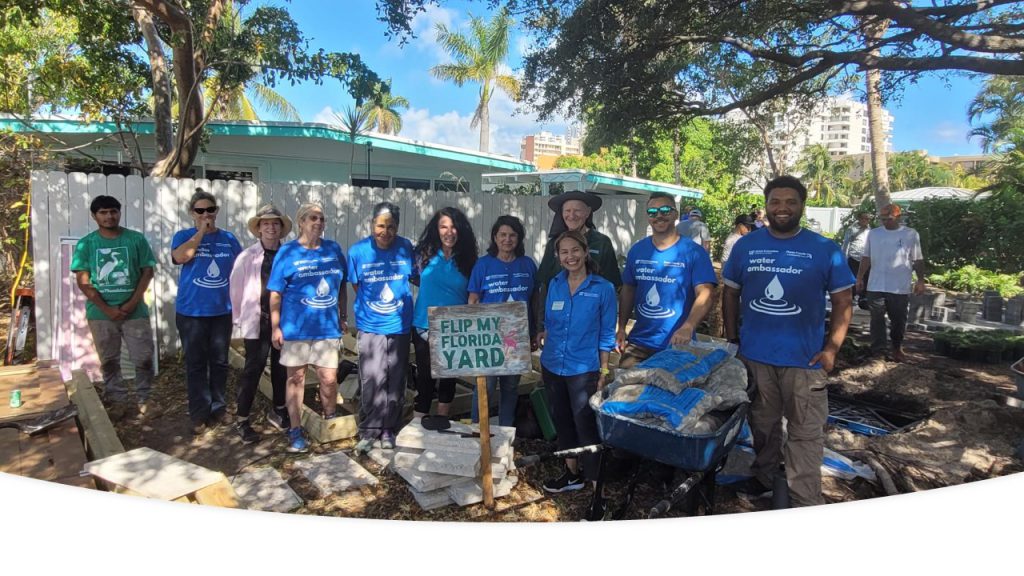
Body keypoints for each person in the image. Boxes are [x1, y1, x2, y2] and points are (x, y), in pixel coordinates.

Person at [722, 175, 854, 508]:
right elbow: (730, 293)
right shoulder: (746, 246)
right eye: (775, 202)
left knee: (806, 434)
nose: (782, 208)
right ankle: (764, 476)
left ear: (801, 206)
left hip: (805, 362)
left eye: (790, 202)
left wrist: (831, 350)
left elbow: (843, 302)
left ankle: (803, 499)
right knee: (762, 426)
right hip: (755, 357)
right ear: (765, 206)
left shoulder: (824, 249)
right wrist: (733, 339)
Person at [535, 230, 616, 518]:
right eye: (563, 252)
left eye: (574, 250)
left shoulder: (603, 288)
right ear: (558, 257)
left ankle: (598, 493)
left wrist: (604, 370)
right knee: (562, 420)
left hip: (584, 370)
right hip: (553, 364)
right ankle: (571, 475)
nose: (570, 257)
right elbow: (549, 322)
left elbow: (607, 335)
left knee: (587, 428)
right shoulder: (554, 284)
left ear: (585, 252)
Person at [267, 203, 348, 453]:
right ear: (301, 222)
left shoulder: (333, 249)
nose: (318, 222)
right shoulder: (288, 252)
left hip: (327, 327)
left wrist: (342, 314)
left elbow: (342, 284)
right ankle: (294, 429)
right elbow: (275, 293)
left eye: (322, 218)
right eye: (313, 218)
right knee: (296, 378)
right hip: (296, 328)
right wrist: (275, 327)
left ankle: (330, 420)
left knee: (328, 377)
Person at [71, 195, 157, 421]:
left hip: (135, 312)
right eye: (103, 212)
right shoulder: (86, 244)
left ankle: (144, 400)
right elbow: (83, 280)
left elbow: (147, 272)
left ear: (119, 212)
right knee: (109, 361)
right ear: (94, 216)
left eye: (113, 211)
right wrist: (107, 309)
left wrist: (131, 303)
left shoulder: (135, 240)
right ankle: (117, 401)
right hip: (100, 315)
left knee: (144, 358)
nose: (109, 216)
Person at [616, 193, 717, 369]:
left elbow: (706, 293)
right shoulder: (637, 250)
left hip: (677, 344)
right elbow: (628, 289)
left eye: (665, 210)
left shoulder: (693, 252)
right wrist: (622, 327)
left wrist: (688, 326)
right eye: (652, 212)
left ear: (675, 214)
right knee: (623, 391)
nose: (659, 216)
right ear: (648, 217)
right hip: (639, 343)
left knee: (669, 395)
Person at [171, 188, 242, 436]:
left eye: (210, 210)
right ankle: (199, 412)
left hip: (222, 311)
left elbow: (241, 272)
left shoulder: (229, 239)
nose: (206, 214)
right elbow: (181, 257)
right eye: (200, 211)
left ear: (217, 211)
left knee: (220, 362)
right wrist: (202, 231)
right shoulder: (183, 235)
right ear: (192, 213)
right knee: (196, 363)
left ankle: (218, 407)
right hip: (191, 312)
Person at [347, 202, 416, 454]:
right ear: (371, 225)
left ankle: (389, 428)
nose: (385, 231)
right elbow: (357, 286)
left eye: (390, 227)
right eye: (380, 226)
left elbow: (414, 276)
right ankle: (369, 430)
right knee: (372, 378)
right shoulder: (358, 252)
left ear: (397, 228)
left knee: (396, 380)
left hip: (399, 324)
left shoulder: (406, 248)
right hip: (370, 324)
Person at [229, 204, 293, 445]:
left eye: (275, 223)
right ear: (258, 229)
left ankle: (278, 410)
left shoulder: (288, 254)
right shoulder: (247, 257)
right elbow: (235, 289)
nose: (271, 227)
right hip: (257, 319)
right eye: (265, 223)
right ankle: (242, 419)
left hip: (283, 320)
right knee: (253, 368)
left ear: (281, 228)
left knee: (280, 368)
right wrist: (239, 318)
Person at [467, 215, 539, 426]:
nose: (507, 240)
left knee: (510, 388)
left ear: (519, 238)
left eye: (512, 235)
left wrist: (534, 332)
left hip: (518, 338)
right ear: (495, 237)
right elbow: (473, 299)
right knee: (485, 387)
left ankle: (506, 433)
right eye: (503, 235)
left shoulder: (527, 265)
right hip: (488, 339)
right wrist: (474, 334)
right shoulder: (483, 265)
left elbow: (534, 301)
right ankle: (476, 431)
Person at [411, 207, 477, 420]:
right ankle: (418, 423)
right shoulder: (424, 254)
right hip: (424, 324)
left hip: (454, 327)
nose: (449, 232)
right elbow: (411, 277)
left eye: (454, 227)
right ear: (436, 229)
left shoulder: (469, 259)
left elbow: (474, 292)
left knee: (449, 377)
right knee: (425, 377)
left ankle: (442, 421)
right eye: (444, 227)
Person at [855, 203, 926, 363]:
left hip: (899, 286)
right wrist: (859, 277)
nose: (886, 221)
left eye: (889, 218)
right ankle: (878, 350)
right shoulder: (874, 234)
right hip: (876, 284)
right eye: (883, 219)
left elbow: (918, 259)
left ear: (898, 217)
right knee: (877, 318)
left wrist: (920, 280)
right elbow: (866, 257)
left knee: (898, 319)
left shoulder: (910, 234)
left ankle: (896, 347)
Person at [842, 211, 872, 302]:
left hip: (866, 258)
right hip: (854, 257)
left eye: (867, 219)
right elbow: (846, 243)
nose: (865, 220)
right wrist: (843, 257)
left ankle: (863, 297)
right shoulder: (852, 229)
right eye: (863, 218)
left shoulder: (870, 230)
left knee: (866, 277)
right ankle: (851, 295)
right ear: (859, 219)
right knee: (853, 277)